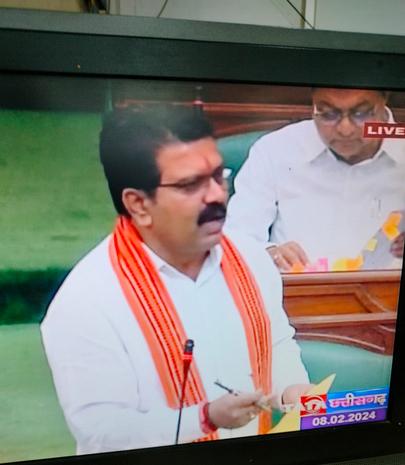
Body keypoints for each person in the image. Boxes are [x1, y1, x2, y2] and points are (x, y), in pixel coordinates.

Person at [41, 106, 311, 455]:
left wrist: (293, 390)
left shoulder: (250, 256)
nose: (215, 195)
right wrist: (205, 417)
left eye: (218, 176)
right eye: (190, 184)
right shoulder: (86, 301)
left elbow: (276, 345)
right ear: (138, 204)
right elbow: (103, 433)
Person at [225, 88, 405, 272]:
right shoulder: (276, 148)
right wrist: (267, 254)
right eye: (328, 114)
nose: (345, 129)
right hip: (296, 294)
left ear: (384, 99)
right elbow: (238, 236)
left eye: (361, 114)